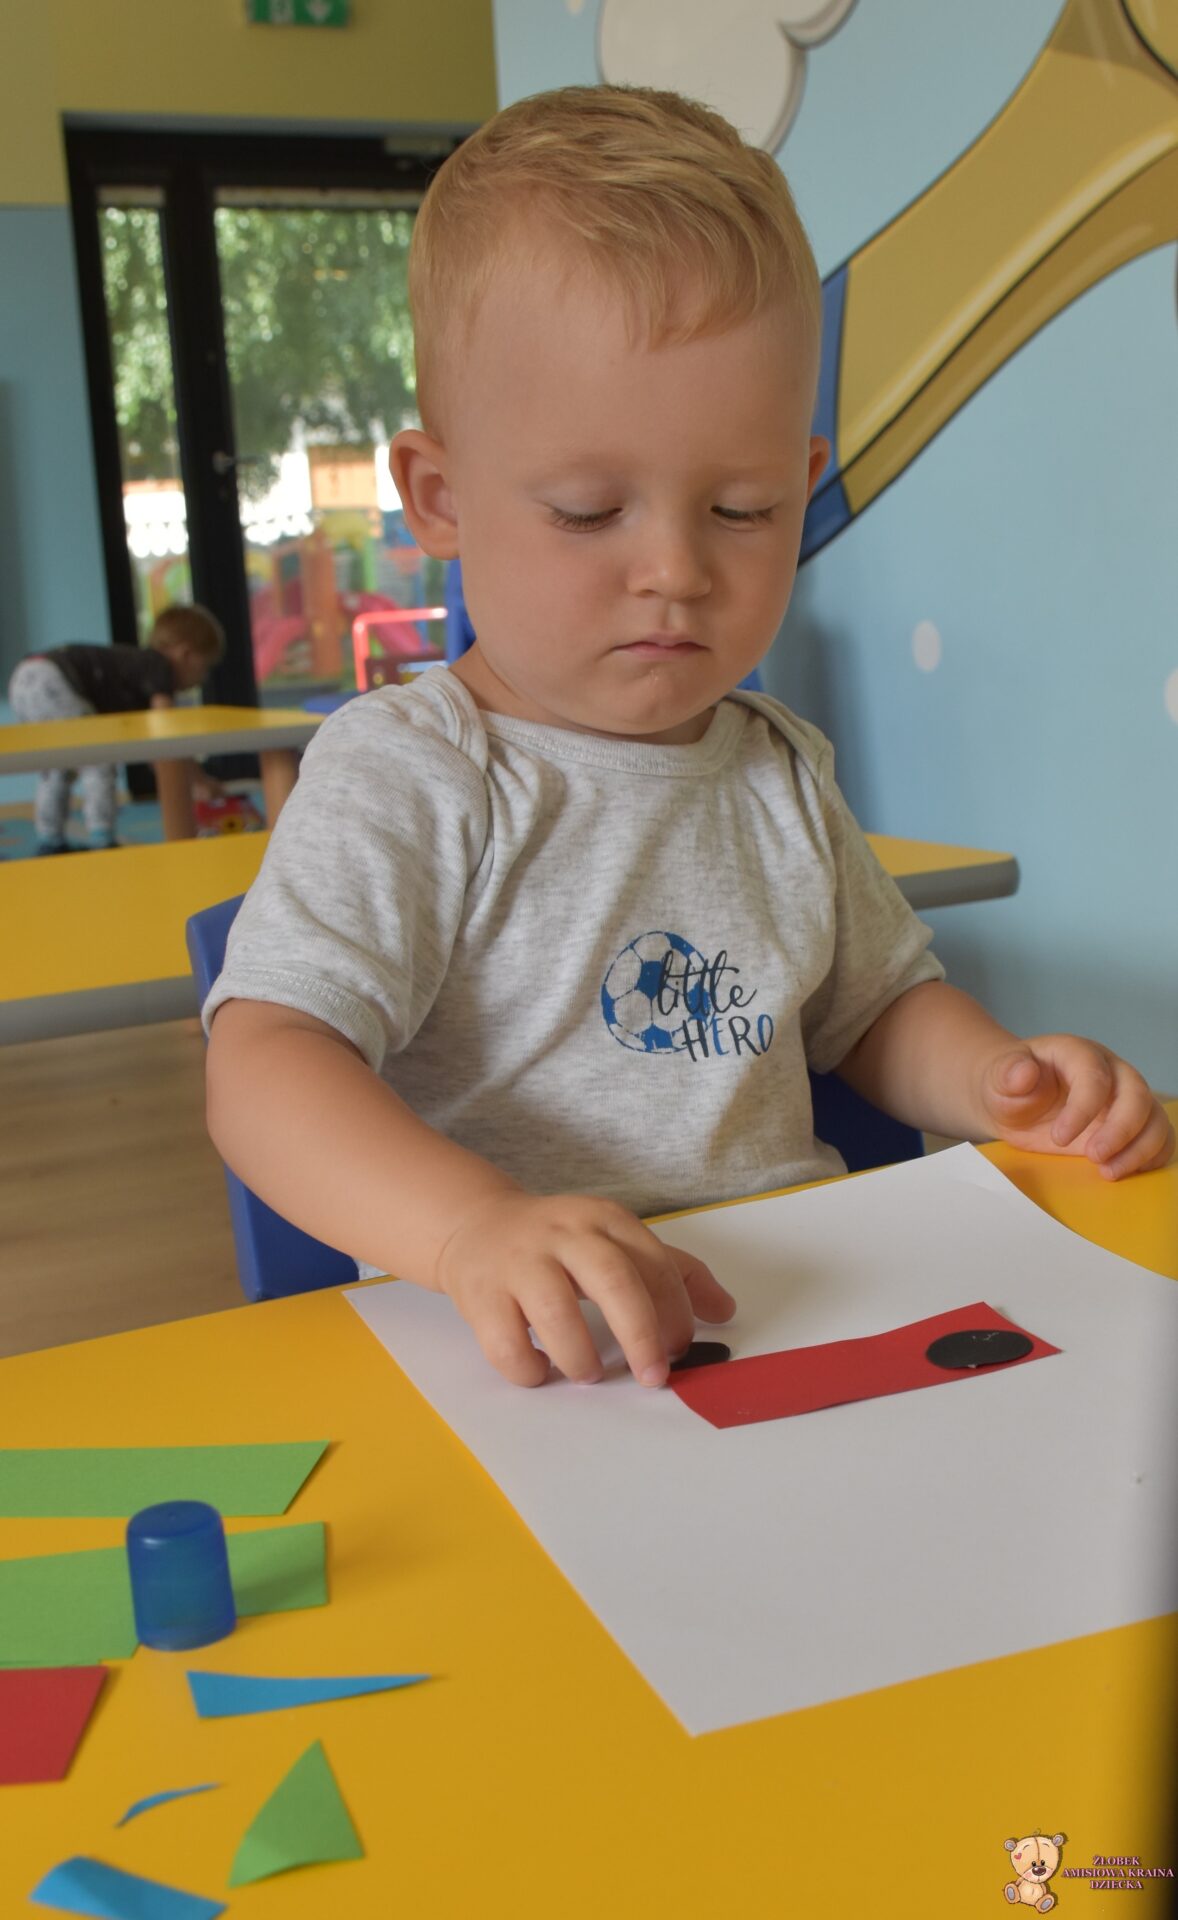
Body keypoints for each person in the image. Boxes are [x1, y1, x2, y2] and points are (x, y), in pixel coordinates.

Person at [203, 86, 1173, 1390]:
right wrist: (468, 1229)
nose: (674, 570)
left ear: (801, 485)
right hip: (537, 1361)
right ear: (440, 498)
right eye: (587, 510)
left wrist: (998, 1078)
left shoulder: (777, 766)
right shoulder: (413, 772)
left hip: (805, 1312)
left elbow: (874, 1009)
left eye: (740, 509)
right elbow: (265, 1065)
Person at [7, 603, 225, 852]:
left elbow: (157, 754)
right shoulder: (158, 665)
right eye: (205, 667)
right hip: (53, 679)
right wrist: (199, 781)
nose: (203, 678)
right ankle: (102, 837)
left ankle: (50, 839)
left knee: (57, 766)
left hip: (24, 678)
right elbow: (167, 737)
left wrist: (195, 780)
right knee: (99, 760)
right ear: (185, 654)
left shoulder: (136, 672)